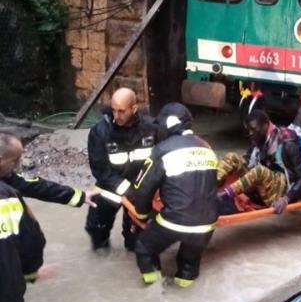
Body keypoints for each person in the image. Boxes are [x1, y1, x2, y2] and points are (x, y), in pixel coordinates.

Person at [127, 103, 218, 287]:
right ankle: (184, 285)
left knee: (144, 248)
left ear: (167, 124)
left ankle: (153, 289)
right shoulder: (207, 148)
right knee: (189, 261)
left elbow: (144, 190)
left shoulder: (162, 150)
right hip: (207, 225)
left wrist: (143, 215)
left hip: (175, 222)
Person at [85, 87, 156, 251]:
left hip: (140, 190)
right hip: (110, 187)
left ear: (134, 108)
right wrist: (126, 189)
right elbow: (100, 169)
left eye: (122, 111)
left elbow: (159, 161)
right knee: (97, 229)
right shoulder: (100, 132)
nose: (116, 116)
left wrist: (143, 190)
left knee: (136, 241)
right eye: (114, 110)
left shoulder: (151, 128)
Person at [218, 109, 301, 215]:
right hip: (261, 184)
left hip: (281, 191)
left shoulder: (287, 144)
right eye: (248, 130)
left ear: (266, 126)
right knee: (232, 157)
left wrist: (286, 199)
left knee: (259, 171)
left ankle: (221, 198)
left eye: (254, 129)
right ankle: (208, 186)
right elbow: (247, 161)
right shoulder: (258, 138)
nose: (251, 133)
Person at [0, 133, 96, 210]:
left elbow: (37, 186)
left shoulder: (8, 177)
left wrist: (79, 196)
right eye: (15, 160)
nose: (18, 164)